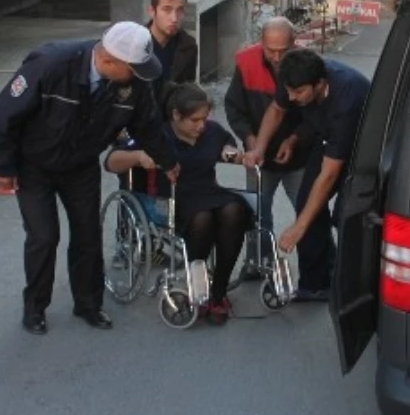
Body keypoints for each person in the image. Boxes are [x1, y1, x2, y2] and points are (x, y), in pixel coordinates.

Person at [0, 21, 178, 336]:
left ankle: (88, 304)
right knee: (44, 237)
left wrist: (169, 160)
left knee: (87, 235)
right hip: (34, 165)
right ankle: (35, 308)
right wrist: (3, 169)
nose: (140, 77)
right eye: (134, 69)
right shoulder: (51, 64)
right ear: (110, 61)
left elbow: (148, 124)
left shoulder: (134, 83)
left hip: (80, 164)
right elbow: (2, 116)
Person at [105, 84, 251, 325]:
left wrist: (236, 155)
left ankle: (219, 291)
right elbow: (111, 161)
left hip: (207, 190)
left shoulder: (212, 132)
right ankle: (199, 286)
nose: (201, 126)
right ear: (176, 116)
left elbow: (227, 149)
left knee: (234, 210)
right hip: (169, 198)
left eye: (204, 119)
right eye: (194, 120)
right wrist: (139, 157)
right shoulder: (157, 136)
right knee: (202, 217)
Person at [243, 49, 370, 301]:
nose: (291, 97)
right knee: (306, 205)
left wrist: (297, 229)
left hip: (362, 146)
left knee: (346, 215)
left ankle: (354, 286)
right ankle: (315, 284)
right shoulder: (294, 79)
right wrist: (261, 147)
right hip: (326, 138)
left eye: (299, 92)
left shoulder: (347, 98)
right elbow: (277, 110)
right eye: (289, 91)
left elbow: (329, 174)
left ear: (320, 84)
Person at [224, 17, 310, 278]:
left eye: (283, 51)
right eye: (270, 50)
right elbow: (234, 108)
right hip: (258, 159)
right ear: (260, 42)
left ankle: (316, 269)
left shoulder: (307, 65)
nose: (276, 57)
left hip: (299, 158)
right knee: (256, 212)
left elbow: (315, 115)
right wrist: (250, 141)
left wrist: (294, 139)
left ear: (294, 43)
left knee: (308, 214)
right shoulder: (246, 62)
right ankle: (258, 264)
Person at [147, 0, 198, 110]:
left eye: (179, 10)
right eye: (167, 10)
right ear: (152, 11)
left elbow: (186, 91)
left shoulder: (188, 46)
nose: (174, 18)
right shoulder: (136, 44)